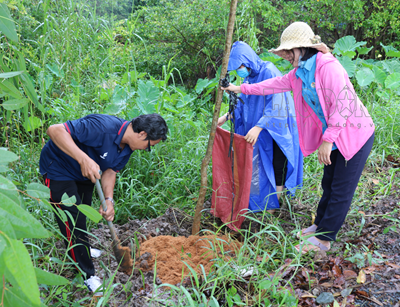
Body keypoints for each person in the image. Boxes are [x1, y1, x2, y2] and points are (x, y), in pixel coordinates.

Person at [222, 22, 375, 253]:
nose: (285, 56)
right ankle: (318, 226)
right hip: (334, 134)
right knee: (329, 183)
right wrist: (239, 89)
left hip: (354, 134)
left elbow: (342, 104)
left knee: (341, 189)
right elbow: (270, 86)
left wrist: (328, 139)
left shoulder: (327, 67)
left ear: (303, 48)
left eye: (288, 51)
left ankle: (324, 240)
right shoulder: (299, 74)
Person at [39, 113, 168, 294]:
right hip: (59, 169)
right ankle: (87, 275)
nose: (145, 150)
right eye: (149, 146)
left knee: (81, 214)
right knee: (71, 221)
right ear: (142, 134)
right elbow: (55, 130)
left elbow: (110, 170)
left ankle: (82, 248)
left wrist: (108, 199)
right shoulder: (102, 127)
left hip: (83, 173)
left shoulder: (127, 147)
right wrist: (83, 158)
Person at [217, 41, 303, 213]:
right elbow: (244, 105)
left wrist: (259, 127)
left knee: (278, 165)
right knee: (263, 166)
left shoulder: (268, 70)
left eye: (240, 65)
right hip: (262, 131)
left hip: (277, 129)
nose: (239, 70)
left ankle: (273, 208)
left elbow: (276, 104)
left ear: (248, 60)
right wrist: (226, 117)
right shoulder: (249, 77)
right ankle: (261, 203)